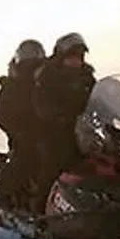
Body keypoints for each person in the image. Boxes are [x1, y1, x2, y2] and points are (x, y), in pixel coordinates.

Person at [30, 32, 96, 212]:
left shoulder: (87, 77)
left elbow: (98, 98)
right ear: (61, 57)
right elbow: (42, 103)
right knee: (56, 162)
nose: (76, 61)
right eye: (71, 57)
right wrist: (58, 116)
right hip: (54, 130)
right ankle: (40, 207)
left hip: (84, 129)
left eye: (79, 57)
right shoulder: (48, 76)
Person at [0, 39, 46, 211]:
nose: (30, 63)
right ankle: (7, 197)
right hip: (23, 134)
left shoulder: (47, 82)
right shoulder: (11, 85)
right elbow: (1, 114)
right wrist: (18, 130)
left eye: (34, 58)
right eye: (27, 58)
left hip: (49, 131)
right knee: (26, 157)